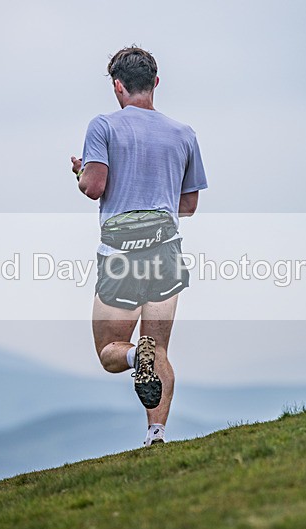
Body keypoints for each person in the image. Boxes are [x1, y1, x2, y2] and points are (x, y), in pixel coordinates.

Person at [69, 46, 208, 447]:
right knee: (158, 347)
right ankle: (156, 433)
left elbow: (94, 187)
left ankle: (134, 357)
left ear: (118, 86)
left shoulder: (103, 126)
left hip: (121, 254)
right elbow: (189, 205)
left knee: (110, 351)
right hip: (166, 250)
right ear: (155, 83)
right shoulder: (184, 134)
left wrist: (81, 172)